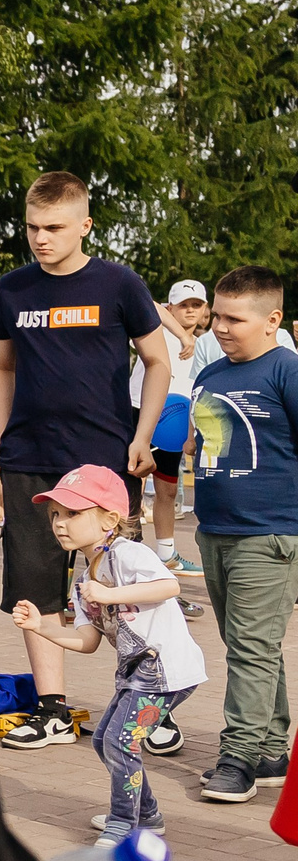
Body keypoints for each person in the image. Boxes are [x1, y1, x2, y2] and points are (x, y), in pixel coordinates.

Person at [0, 172, 172, 750]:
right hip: (32, 458)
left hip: (103, 461)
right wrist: (2, 434)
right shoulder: (13, 290)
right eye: (33, 228)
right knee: (33, 588)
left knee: (123, 588)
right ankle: (53, 710)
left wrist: (143, 437)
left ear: (84, 225)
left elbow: (158, 361)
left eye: (55, 228)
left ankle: (153, 707)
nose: (41, 239)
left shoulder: (119, 284)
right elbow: (3, 368)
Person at [10, 465, 205, 839]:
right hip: (137, 673)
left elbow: (168, 586)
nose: (60, 523)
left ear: (109, 520)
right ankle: (146, 815)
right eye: (55, 515)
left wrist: (111, 594)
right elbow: (87, 642)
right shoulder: (85, 582)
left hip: (165, 670)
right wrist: (42, 627)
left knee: (120, 741)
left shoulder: (129, 554)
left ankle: (122, 824)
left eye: (73, 513)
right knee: (104, 740)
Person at [187, 265, 298, 803]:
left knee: (251, 649)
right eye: (216, 317)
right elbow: (206, 445)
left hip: (271, 534)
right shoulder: (209, 377)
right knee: (249, 644)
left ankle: (240, 758)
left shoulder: (287, 372)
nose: (221, 328)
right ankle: (274, 751)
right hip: (213, 530)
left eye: (235, 319)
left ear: (272, 319)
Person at [137, 278, 207, 576]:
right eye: (183, 305)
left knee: (167, 491)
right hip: (139, 415)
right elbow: (146, 303)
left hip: (175, 424)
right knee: (130, 489)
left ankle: (166, 555)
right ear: (170, 307)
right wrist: (183, 336)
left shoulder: (208, 345)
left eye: (197, 305)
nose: (190, 311)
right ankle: (118, 554)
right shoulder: (152, 329)